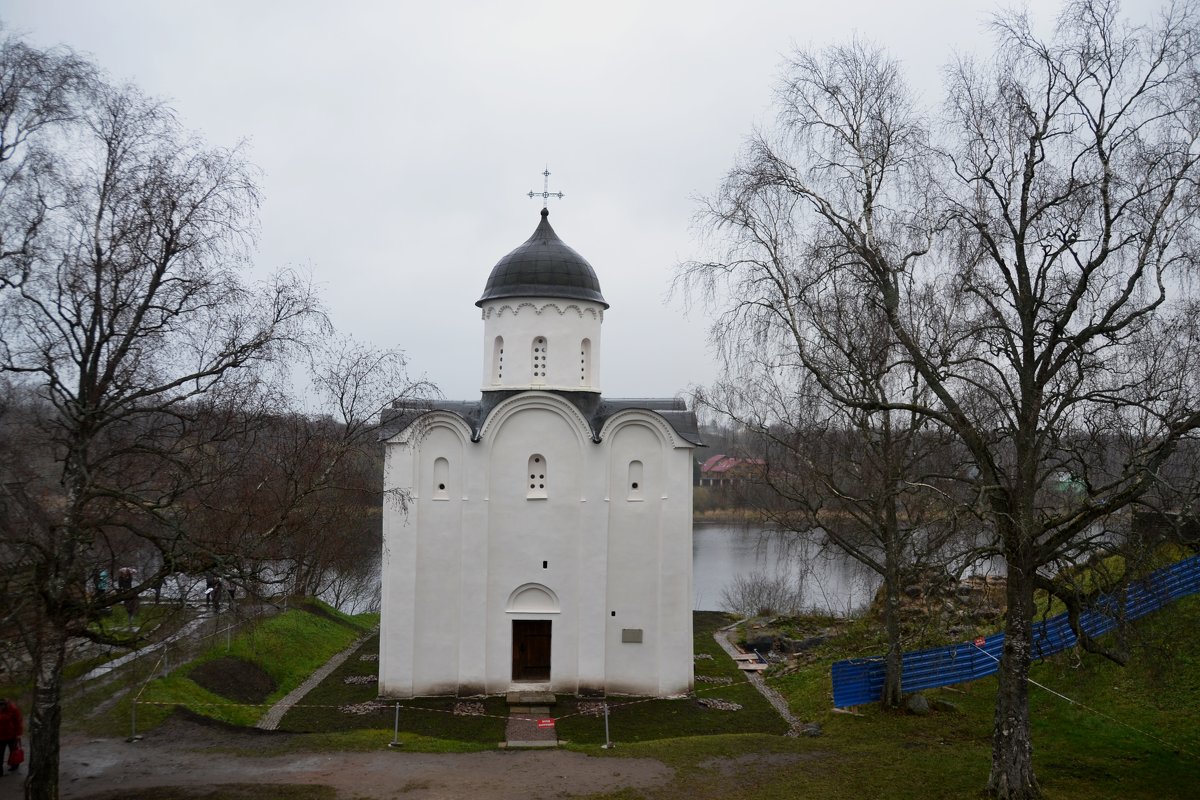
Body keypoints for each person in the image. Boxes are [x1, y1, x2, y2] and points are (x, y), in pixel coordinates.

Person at [0, 698, 23, 774]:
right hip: (1, 735)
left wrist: (18, 734)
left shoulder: (13, 709)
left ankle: (15, 765)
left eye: (1, 706)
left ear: (5, 705)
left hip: (12, 735)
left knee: (14, 751)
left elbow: (18, 722)